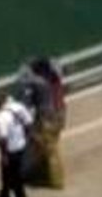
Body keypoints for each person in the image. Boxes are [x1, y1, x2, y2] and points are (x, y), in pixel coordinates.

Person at [21, 56, 68, 188]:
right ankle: (43, 173)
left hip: (48, 118)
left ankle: (57, 181)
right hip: (61, 114)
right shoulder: (56, 78)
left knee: (50, 149)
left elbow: (26, 103)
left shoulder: (38, 83)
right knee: (48, 145)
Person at [0, 89, 35, 197]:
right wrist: (26, 139)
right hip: (21, 147)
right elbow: (28, 123)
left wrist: (4, 156)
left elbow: (3, 139)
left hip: (11, 153)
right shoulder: (18, 107)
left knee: (17, 185)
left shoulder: (1, 117)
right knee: (5, 179)